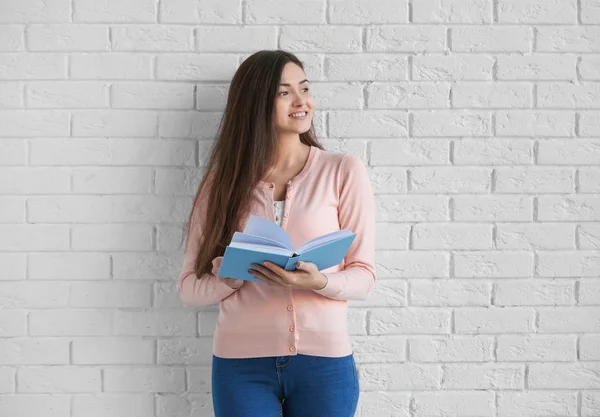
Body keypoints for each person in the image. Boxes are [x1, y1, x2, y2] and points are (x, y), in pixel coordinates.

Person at [178, 49, 376, 417]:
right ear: (255, 103)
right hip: (241, 365)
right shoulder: (221, 183)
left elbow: (364, 277)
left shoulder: (343, 170)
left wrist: (317, 282)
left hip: (325, 363)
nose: (302, 101)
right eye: (285, 92)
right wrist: (230, 280)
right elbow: (189, 287)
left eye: (304, 88)